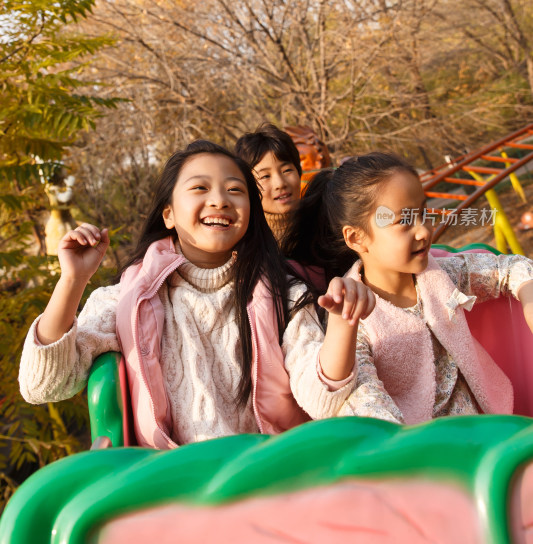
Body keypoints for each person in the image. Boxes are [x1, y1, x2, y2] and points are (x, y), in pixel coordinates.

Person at [19, 141, 371, 448]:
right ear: (168, 214)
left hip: (270, 478)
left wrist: (342, 323)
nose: (219, 200)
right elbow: (43, 386)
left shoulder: (286, 295)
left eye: (235, 190)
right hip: (174, 488)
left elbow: (323, 403)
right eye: (200, 188)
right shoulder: (126, 299)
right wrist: (73, 280)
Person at [282, 152, 533, 425]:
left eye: (423, 213)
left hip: (488, 426)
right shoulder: (355, 315)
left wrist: (528, 294)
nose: (423, 230)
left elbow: (510, 268)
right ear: (356, 237)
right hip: (425, 453)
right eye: (404, 221)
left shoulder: (441, 274)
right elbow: (370, 407)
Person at [235, 123, 302, 244]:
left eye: (287, 170)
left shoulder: (327, 227)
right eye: (265, 176)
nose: (280, 184)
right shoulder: (242, 242)